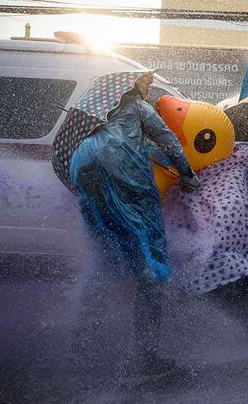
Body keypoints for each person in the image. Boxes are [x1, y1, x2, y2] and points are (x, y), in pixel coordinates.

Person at [69, 72, 200, 382]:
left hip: (84, 166)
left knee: (107, 255)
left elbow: (145, 149)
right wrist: (187, 173)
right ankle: (147, 358)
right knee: (152, 265)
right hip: (122, 171)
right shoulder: (138, 108)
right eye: (146, 83)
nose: (149, 87)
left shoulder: (99, 119)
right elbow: (167, 139)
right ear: (133, 86)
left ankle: (83, 345)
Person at [164, 142, 248, 339]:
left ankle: (199, 330)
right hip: (230, 234)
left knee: (207, 279)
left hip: (202, 242)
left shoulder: (195, 171)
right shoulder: (238, 165)